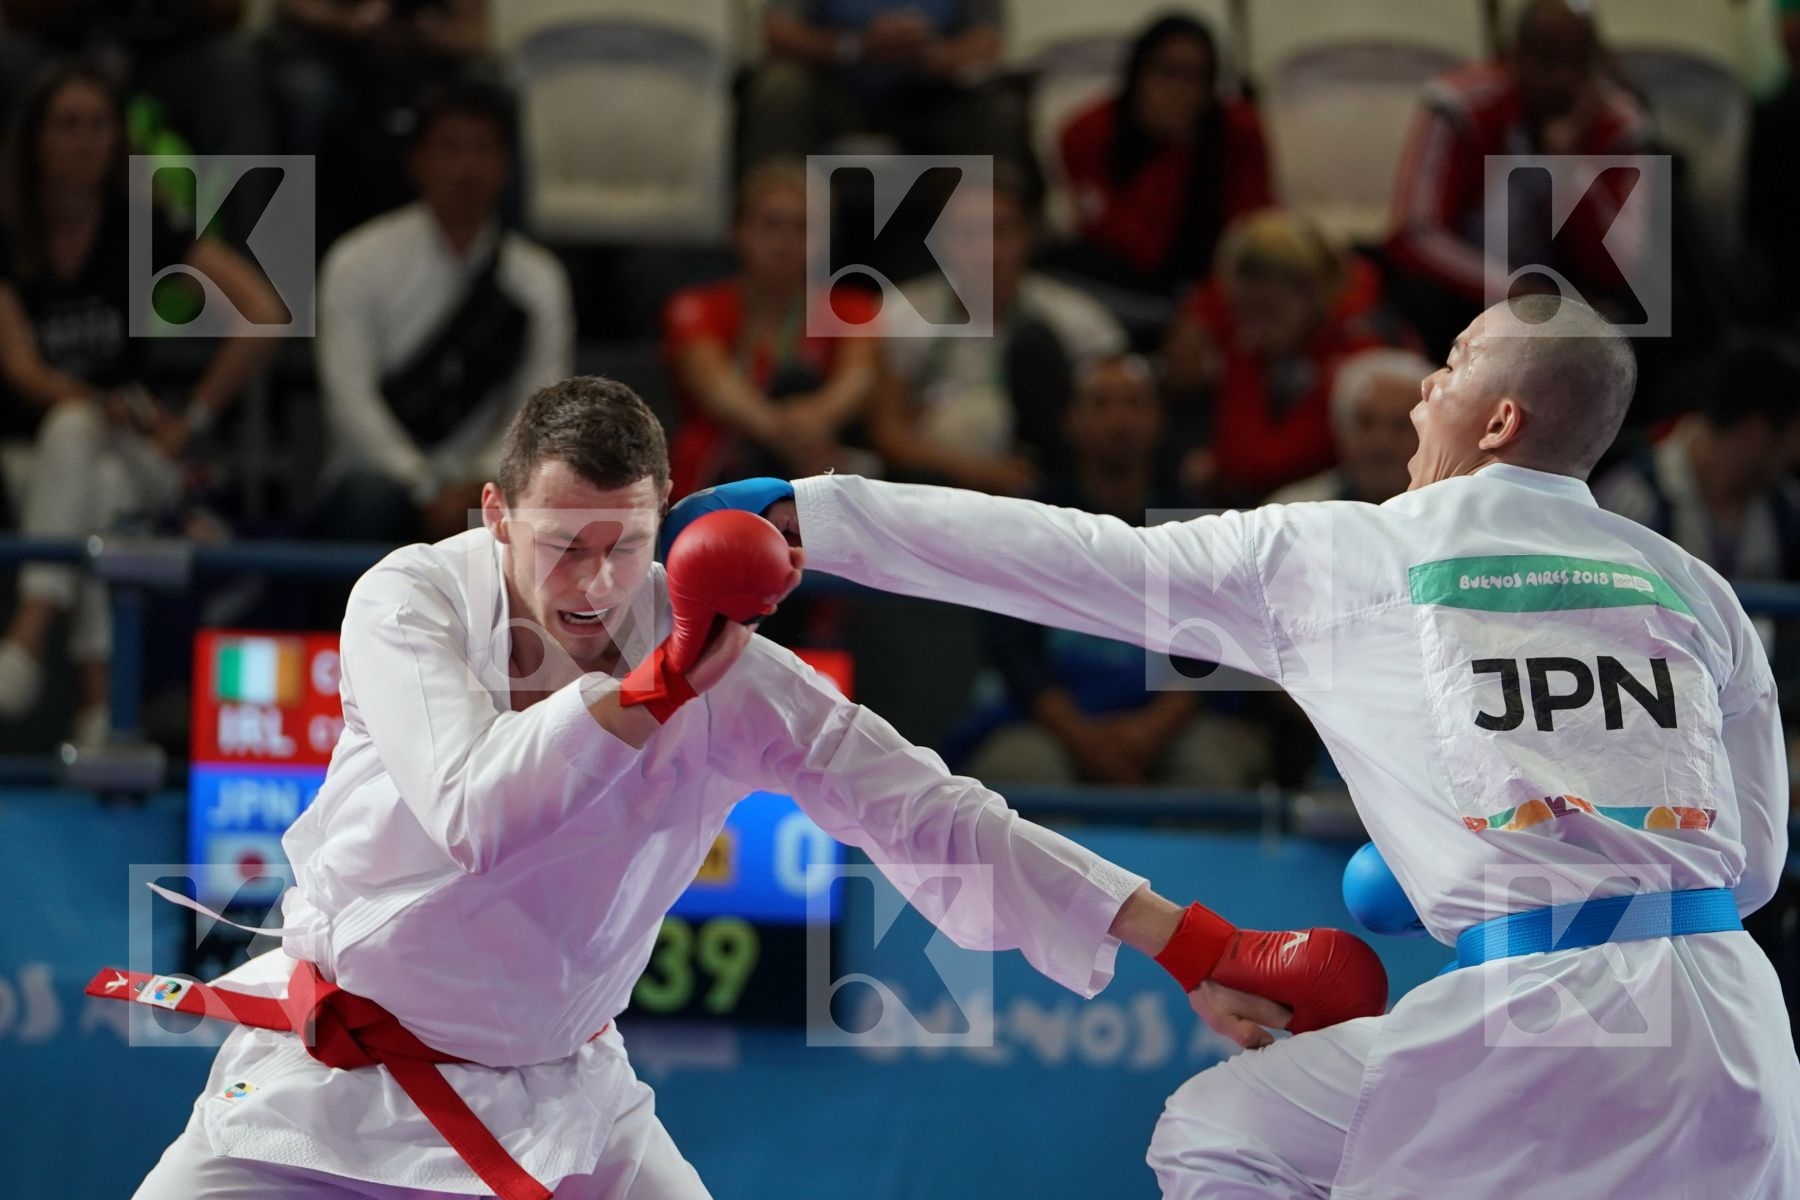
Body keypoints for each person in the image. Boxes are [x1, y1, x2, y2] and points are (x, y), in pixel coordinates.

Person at [122, 375, 1384, 1198]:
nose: (593, 582)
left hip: (568, 1101)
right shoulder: (409, 598)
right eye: (562, 542)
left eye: (627, 545)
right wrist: (650, 689)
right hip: (323, 1096)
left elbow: (930, 813)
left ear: (667, 521)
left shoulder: (724, 665)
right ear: (493, 513)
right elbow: (470, 808)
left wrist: (1191, 941)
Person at [677, 293, 1800, 1196]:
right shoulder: (1701, 592)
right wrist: (1508, 853)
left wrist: (814, 513)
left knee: (1222, 1134)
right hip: (1735, 1033)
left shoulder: (1345, 552)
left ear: (1500, 421)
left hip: (1538, 1024)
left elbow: (1077, 559)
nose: (1421, 394)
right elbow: (1748, 871)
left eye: (1451, 367)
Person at [0, 60, 283, 742]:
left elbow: (265, 313)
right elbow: (24, 370)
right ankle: (100, 713)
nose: (84, 141)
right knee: (86, 466)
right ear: (35, 138)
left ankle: (27, 640)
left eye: (98, 125)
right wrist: (105, 405)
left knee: (86, 449)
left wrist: (191, 421)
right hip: (27, 449)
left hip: (139, 445)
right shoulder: (7, 229)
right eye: (67, 125)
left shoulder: (142, 224)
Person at [962, 356, 1270, 789]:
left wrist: (1147, 734)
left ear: (1158, 418)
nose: (1118, 419)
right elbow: (1014, 654)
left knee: (1209, 771)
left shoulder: (1200, 524)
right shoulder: (1030, 520)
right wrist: (1083, 740)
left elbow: (1215, 657)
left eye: (1133, 403)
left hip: (1173, 723)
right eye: (1100, 404)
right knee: (1018, 770)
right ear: (1070, 420)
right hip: (1051, 722)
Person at [311, 78, 571, 546]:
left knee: (539, 508)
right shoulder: (357, 260)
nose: (466, 166)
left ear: (506, 165)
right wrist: (425, 486)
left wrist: (479, 481)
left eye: (483, 148)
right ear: (418, 161)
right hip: (381, 478)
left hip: (490, 481)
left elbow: (539, 404)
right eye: (450, 148)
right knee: (368, 500)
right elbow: (349, 401)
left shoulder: (538, 278)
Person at [1383, 0, 1652, 359]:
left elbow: (1618, 267)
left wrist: (1569, 163)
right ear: (1513, 56)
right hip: (1470, 292)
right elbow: (1415, 232)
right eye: (1548, 60)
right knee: (1416, 299)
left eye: (1579, 63)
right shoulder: (1461, 106)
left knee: (1639, 319)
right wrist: (1516, 289)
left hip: (1569, 297)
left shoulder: (1618, 125)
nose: (1563, 78)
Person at [871, 166, 1126, 496]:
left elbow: (1116, 417)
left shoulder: (1082, 323)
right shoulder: (900, 314)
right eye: (969, 234)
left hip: (1047, 494)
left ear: (1029, 236)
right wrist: (979, 473)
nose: (986, 250)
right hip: (936, 493)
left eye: (1001, 232)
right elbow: (888, 433)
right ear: (944, 240)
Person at [1162, 209, 1413, 506]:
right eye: (1241, 309)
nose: (1250, 327)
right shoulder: (1240, 323)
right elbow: (1187, 352)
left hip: (1332, 506)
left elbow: (1271, 461)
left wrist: (1226, 465)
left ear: (1312, 295)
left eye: (1267, 310)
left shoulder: (1364, 349)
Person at [662, 159, 879, 500]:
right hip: (718, 471)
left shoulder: (853, 307)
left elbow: (856, 383)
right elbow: (717, 390)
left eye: (802, 228)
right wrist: (794, 438)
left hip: (816, 469)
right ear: (737, 232)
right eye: (770, 225)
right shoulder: (695, 306)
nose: (785, 241)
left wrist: (810, 425)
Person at [1054, 13, 1272, 298]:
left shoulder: (1236, 128)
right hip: (1123, 279)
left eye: (1197, 77)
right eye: (1168, 72)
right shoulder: (1087, 132)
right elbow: (1123, 243)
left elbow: (1254, 228)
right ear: (1138, 73)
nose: (1181, 90)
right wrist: (1174, 151)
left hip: (1217, 284)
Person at [1595, 335, 1800, 584]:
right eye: (1795, 436)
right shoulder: (1633, 502)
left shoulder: (1786, 509)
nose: (1796, 452)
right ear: (1755, 430)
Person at [742, 0, 1020, 165]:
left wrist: (934, 56)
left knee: (998, 105)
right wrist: (857, 48)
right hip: (836, 97)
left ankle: (994, 242)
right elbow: (777, 33)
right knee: (780, 87)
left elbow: (988, 40)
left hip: (929, 98)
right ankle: (776, 232)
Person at [1267, 347, 1435, 505]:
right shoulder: (1293, 511)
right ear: (1341, 432)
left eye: (1401, 425)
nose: (1381, 442)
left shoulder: (1450, 517)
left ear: (1431, 436)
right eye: (1365, 423)